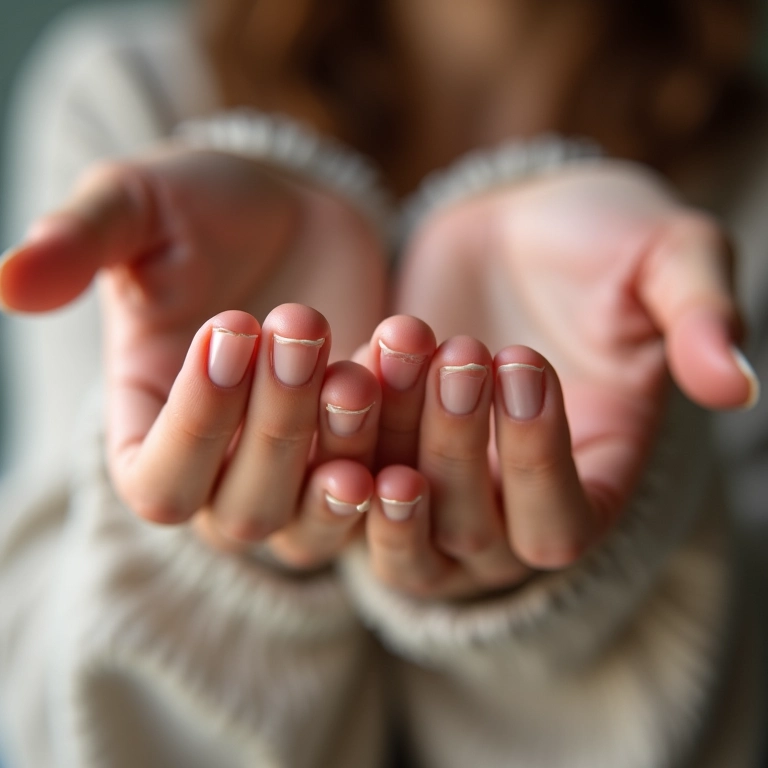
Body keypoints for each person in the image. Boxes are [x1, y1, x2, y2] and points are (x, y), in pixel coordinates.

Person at [0, 1, 766, 766]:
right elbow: (40, 719)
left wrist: (581, 588)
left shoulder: (750, 176)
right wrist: (220, 569)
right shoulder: (131, 92)